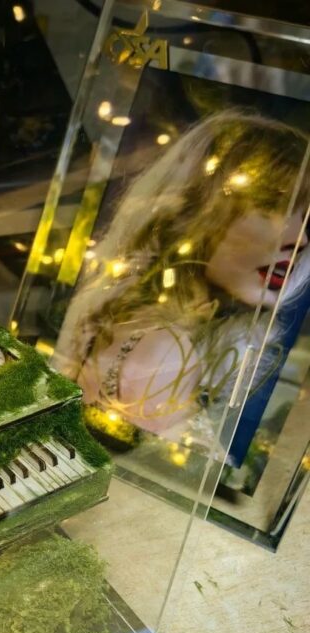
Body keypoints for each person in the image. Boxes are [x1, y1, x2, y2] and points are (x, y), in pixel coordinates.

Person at [53, 110, 310, 447]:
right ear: (197, 207)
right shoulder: (167, 352)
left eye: (306, 220)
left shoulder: (115, 313)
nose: (300, 241)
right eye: (274, 207)